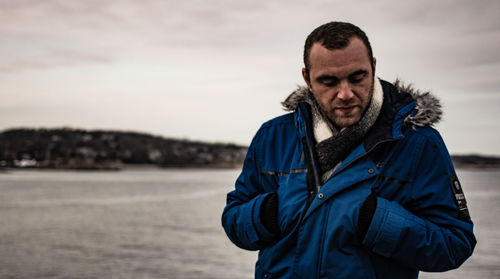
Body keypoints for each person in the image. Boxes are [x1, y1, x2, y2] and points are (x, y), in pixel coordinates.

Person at [221, 21, 476, 279]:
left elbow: (455, 244)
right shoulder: (272, 136)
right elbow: (233, 219)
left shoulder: (419, 143)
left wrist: (375, 220)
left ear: (373, 67)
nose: (345, 94)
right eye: (329, 81)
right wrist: (269, 213)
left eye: (357, 78)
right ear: (307, 78)